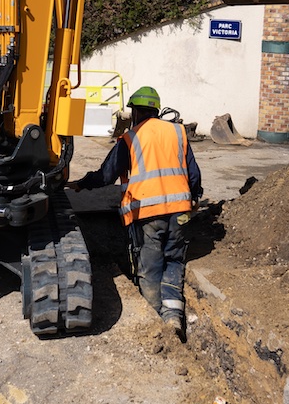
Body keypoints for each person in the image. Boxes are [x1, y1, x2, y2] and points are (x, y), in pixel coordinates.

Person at [67, 86, 203, 341]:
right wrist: (194, 197)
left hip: (148, 214)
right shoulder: (178, 132)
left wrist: (82, 183)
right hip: (180, 211)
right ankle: (173, 315)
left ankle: (155, 318)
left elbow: (106, 175)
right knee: (174, 260)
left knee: (150, 267)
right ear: (156, 110)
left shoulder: (131, 138)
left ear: (137, 112)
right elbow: (193, 173)